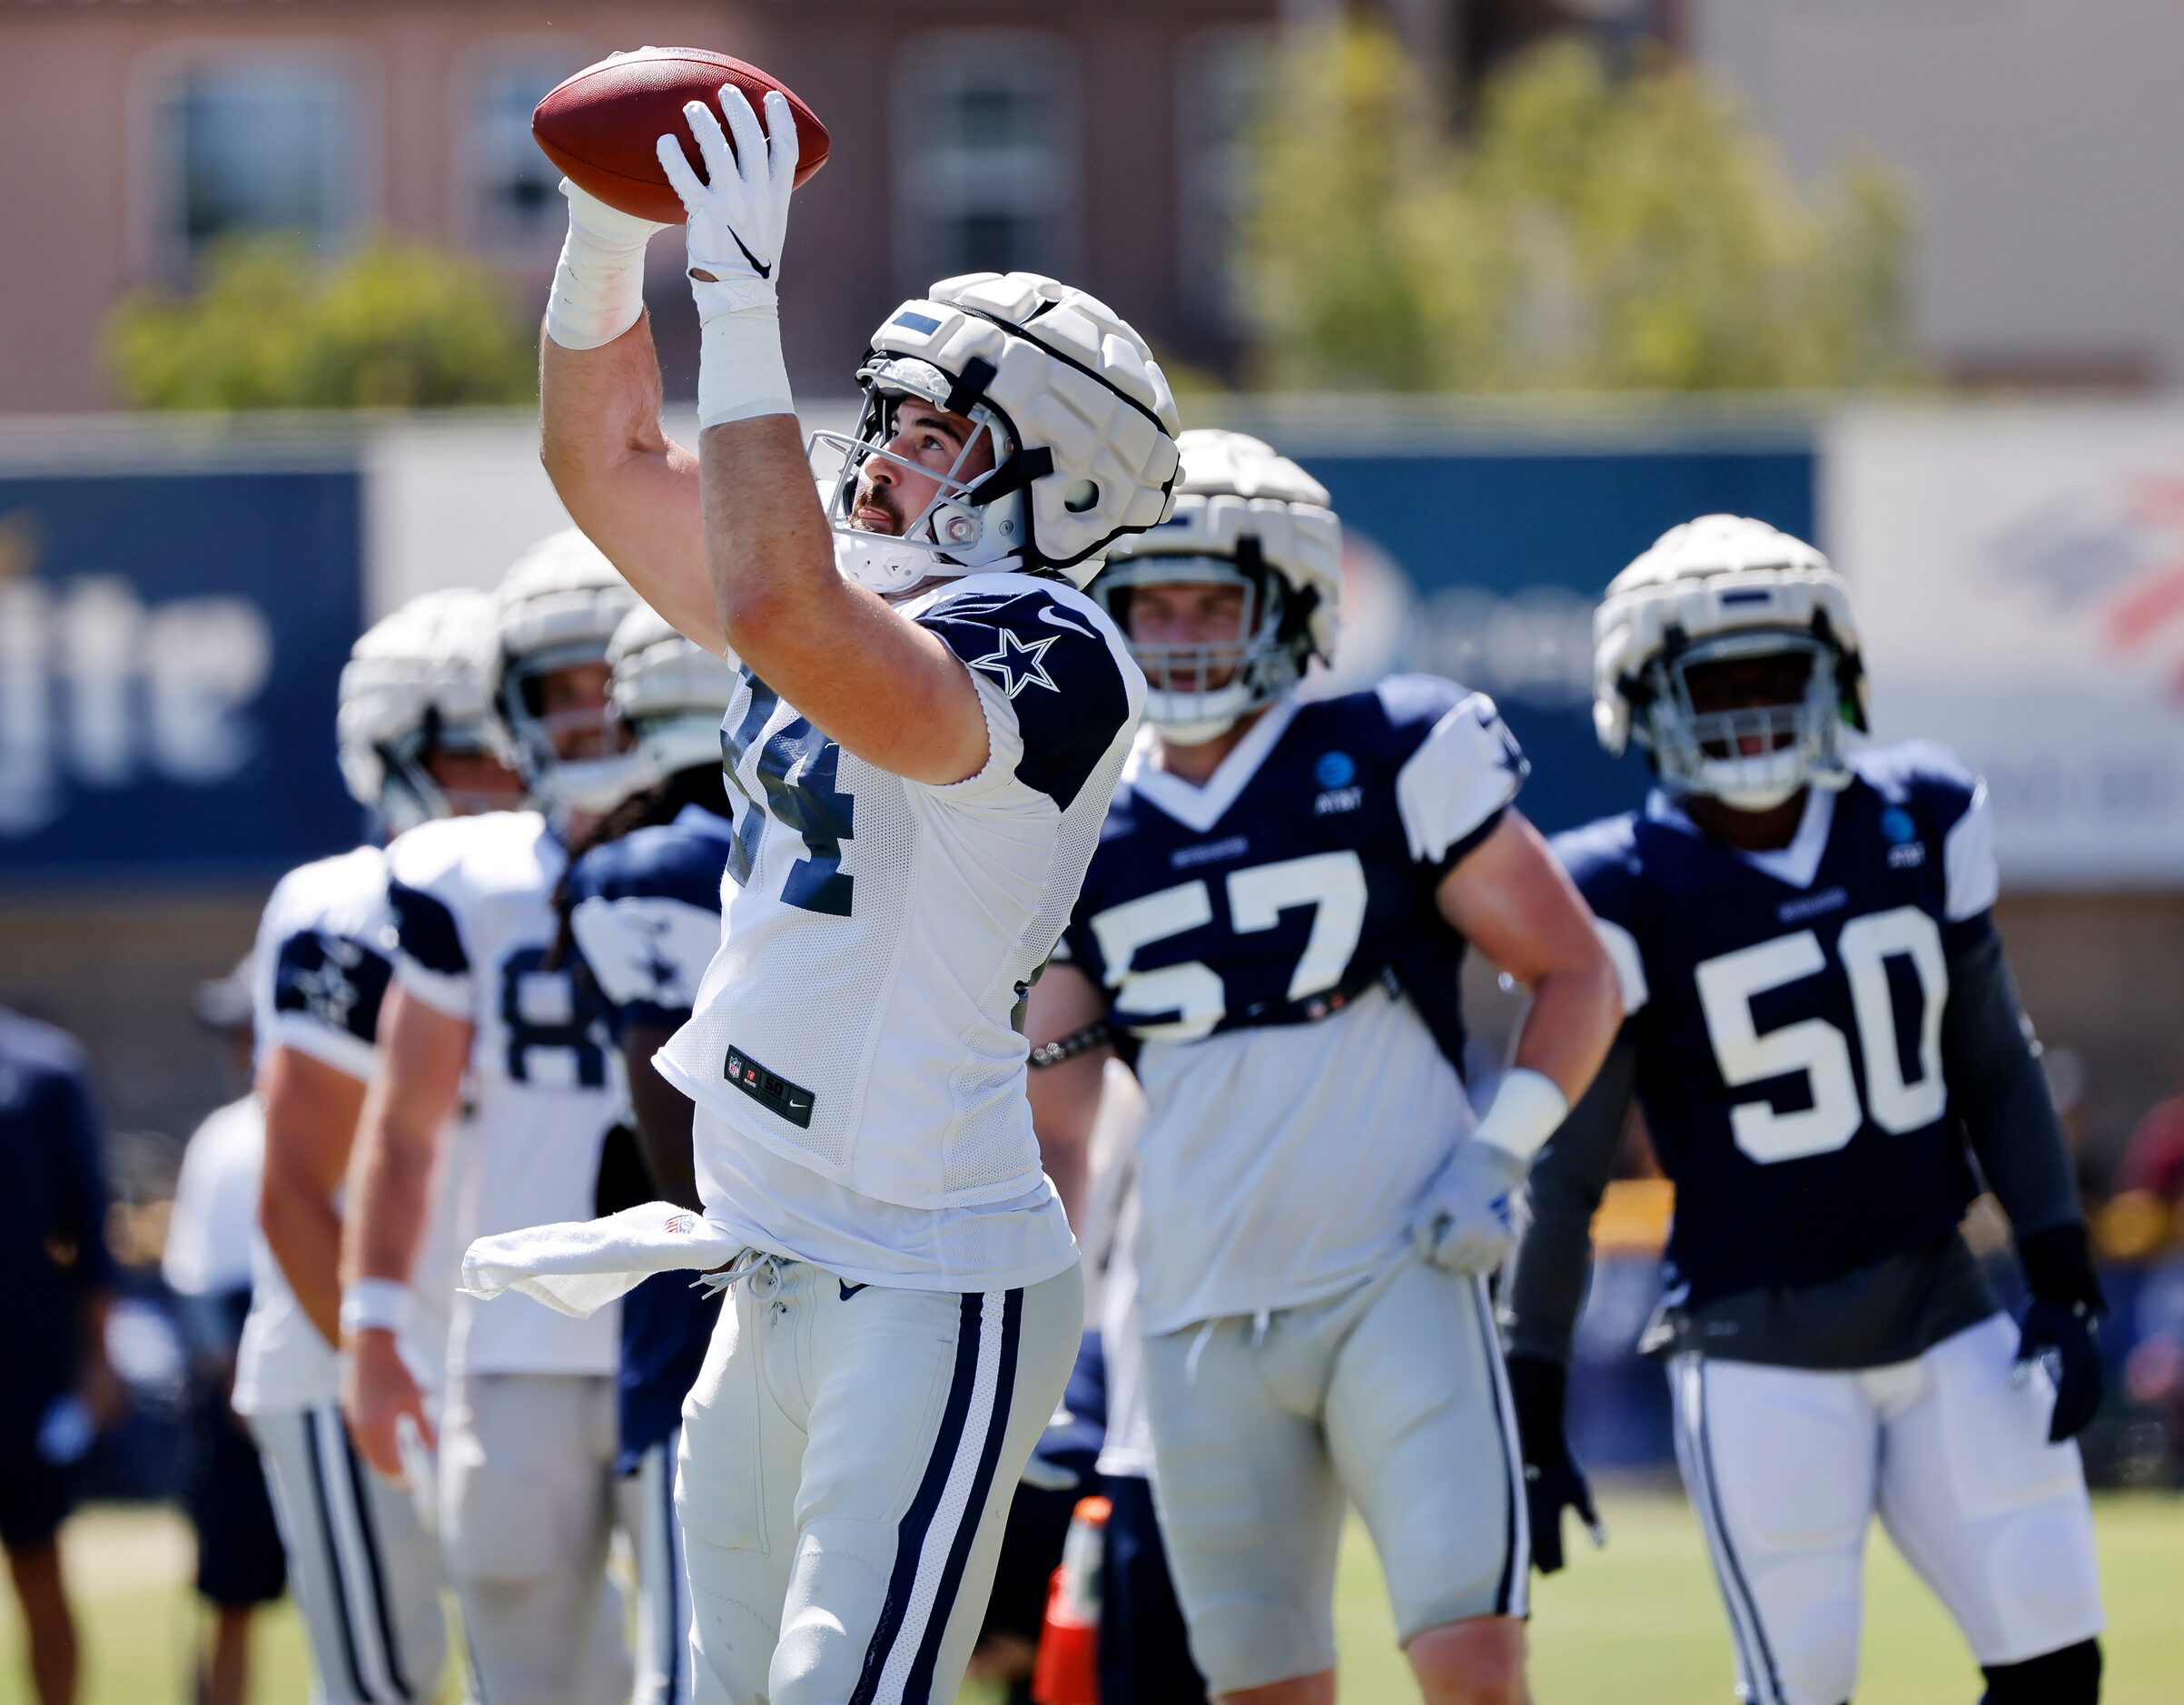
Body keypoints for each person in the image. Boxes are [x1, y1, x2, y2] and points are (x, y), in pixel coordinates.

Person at [519, 80, 1181, 1703]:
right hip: (764, 1251)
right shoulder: (847, 579)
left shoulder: (1054, 647)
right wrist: (609, 238)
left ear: (1061, 482)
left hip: (928, 1270)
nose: (886, 451)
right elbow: (601, 458)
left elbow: (787, 614)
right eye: (885, 412)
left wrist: (740, 303)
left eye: (937, 426)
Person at [1023, 429, 1624, 1705]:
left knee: (1471, 1661)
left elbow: (1579, 971)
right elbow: (1054, 1113)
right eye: (1147, 600)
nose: (1176, 630)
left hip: (1394, 1267)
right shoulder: (1077, 819)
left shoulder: (1388, 746)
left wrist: (1498, 1147)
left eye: (1209, 598)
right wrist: (1031, 1334)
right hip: (1193, 1310)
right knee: (1260, 1686)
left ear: (1289, 602)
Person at [1501, 515, 2109, 1705]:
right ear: (1643, 692)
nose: (1752, 706)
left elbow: (1995, 1057)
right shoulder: (1617, 885)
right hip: (1755, 1351)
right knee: (1801, 1685)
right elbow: (1565, 1172)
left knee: (2057, 1659)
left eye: (1779, 673)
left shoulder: (1917, 814)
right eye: (1715, 680)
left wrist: (2061, 1265)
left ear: (1836, 673)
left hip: (1946, 1310)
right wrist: (1529, 1394)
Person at [341, 540, 645, 1705]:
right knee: (524, 1662)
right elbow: (405, 1123)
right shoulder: (466, 874)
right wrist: (372, 1324)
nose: (583, 718)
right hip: (517, 1339)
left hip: (694, 1327)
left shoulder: (743, 855)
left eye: (603, 682)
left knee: (717, 1659)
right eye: (556, 689)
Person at [242, 586, 520, 1705]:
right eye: (473, 752)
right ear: (396, 750)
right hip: (358, 1362)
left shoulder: (550, 884)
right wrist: (380, 1364)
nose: (507, 777)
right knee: (382, 1688)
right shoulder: (350, 904)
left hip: (493, 1370)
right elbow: (298, 1192)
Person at [560, 603, 740, 1705]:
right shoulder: (823, 840)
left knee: (689, 1664)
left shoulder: (623, 871)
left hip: (694, 1301)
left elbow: (668, 1142)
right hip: (852, 1275)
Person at [162, 960, 286, 1705]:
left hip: (333, 1367)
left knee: (378, 1586)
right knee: (229, 1596)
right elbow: (194, 1277)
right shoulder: (224, 1136)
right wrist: (232, 1379)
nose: (240, 1049)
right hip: (236, 1382)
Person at [0, 1008, 125, 1705]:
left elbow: (88, 1224)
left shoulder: (39, 1064)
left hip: (20, 1363)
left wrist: (101, 1360)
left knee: (37, 1563)